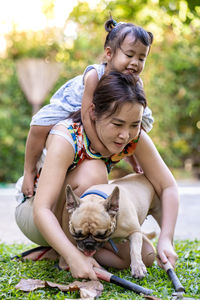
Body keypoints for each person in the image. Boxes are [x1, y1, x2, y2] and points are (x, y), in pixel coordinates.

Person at [15, 72, 179, 281]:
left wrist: (166, 238)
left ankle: (69, 250)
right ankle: (67, 253)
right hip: (36, 212)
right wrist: (72, 255)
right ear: (93, 112)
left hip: (86, 222)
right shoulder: (66, 137)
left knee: (144, 255)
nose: (125, 135)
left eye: (134, 124)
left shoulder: (132, 136)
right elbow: (41, 209)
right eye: (117, 124)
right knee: (94, 170)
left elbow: (167, 186)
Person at [22, 17, 154, 198]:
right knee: (38, 125)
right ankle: (29, 172)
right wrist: (100, 147)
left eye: (141, 58)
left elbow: (131, 120)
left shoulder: (136, 82)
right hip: (74, 105)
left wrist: (132, 154)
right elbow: (86, 115)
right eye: (129, 55)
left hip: (107, 112)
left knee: (138, 122)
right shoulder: (93, 75)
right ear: (109, 54)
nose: (135, 63)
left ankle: (132, 157)